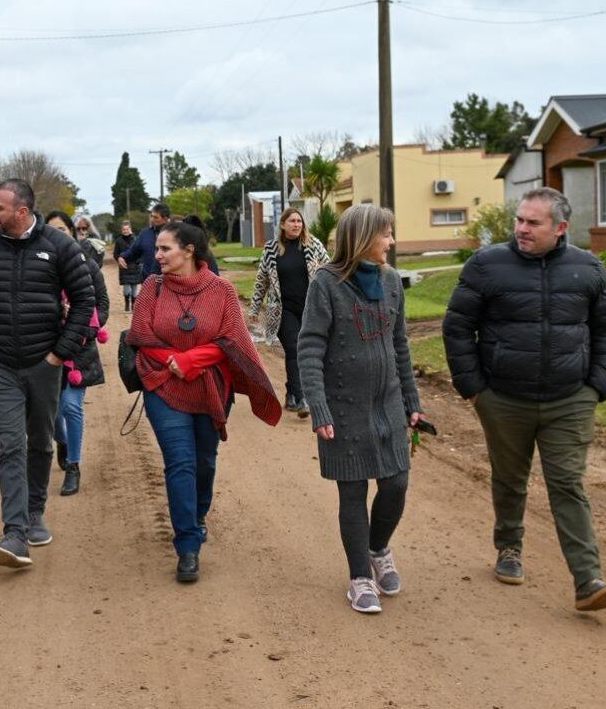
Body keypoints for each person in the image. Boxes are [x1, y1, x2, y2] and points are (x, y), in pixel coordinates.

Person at [442, 187, 606, 612]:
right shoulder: (487, 265)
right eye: (519, 220)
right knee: (510, 478)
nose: (521, 229)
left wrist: (597, 383)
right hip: (504, 397)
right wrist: (474, 387)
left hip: (570, 398)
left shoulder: (588, 269)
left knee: (567, 483)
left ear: (560, 228)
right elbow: (457, 327)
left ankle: (588, 579)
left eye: (533, 223)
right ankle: (509, 547)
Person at [127, 221, 280, 583]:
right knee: (180, 463)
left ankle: (197, 515)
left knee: (204, 461)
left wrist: (194, 360)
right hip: (162, 383)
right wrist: (170, 361)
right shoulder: (153, 286)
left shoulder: (222, 291)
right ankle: (188, 545)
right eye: (157, 249)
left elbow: (233, 339)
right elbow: (141, 334)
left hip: (211, 387)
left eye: (165, 249)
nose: (157, 255)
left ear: (189, 250)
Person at [0, 179, 95, 569]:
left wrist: (59, 354)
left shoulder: (59, 245)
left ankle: (35, 511)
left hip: (43, 362)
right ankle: (14, 532)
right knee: (10, 442)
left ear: (22, 212)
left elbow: (85, 299)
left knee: (40, 440)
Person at [297, 204, 424, 614]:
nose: (391, 241)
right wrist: (319, 408)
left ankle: (378, 548)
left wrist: (411, 401)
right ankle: (359, 578)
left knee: (396, 484)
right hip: (343, 406)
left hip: (387, 403)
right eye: (386, 234)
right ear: (364, 238)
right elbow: (310, 348)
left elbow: (399, 345)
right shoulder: (326, 284)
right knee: (352, 491)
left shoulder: (390, 281)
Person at [45, 210, 111, 496]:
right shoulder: (39, 268)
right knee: (53, 413)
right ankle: (62, 441)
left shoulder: (86, 266)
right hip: (45, 349)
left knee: (71, 406)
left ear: (72, 232)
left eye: (62, 229)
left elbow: (103, 305)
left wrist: (84, 322)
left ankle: (73, 465)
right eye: (51, 229)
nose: (58, 234)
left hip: (79, 350)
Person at [250, 207, 330, 417]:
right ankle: (302, 397)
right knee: (294, 349)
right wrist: (255, 307)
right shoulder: (271, 249)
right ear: (283, 225)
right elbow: (262, 279)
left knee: (306, 351)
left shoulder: (313, 245)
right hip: (283, 310)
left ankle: (291, 393)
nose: (296, 224)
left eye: (299, 221)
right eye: (292, 221)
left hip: (310, 308)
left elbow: (330, 269)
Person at [117, 202, 171, 281]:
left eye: (156, 217)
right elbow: (134, 251)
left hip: (170, 282)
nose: (152, 219)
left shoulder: (175, 234)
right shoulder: (145, 233)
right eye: (151, 216)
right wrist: (122, 257)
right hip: (148, 281)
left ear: (165, 219)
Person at [113, 220, 143, 311]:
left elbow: (141, 252)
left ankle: (134, 305)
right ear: (122, 230)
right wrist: (119, 259)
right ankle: (127, 303)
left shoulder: (136, 239)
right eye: (124, 229)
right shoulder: (118, 241)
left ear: (130, 229)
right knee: (127, 289)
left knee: (134, 289)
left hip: (135, 267)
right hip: (124, 267)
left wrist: (138, 261)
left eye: (127, 229)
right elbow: (115, 254)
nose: (125, 231)